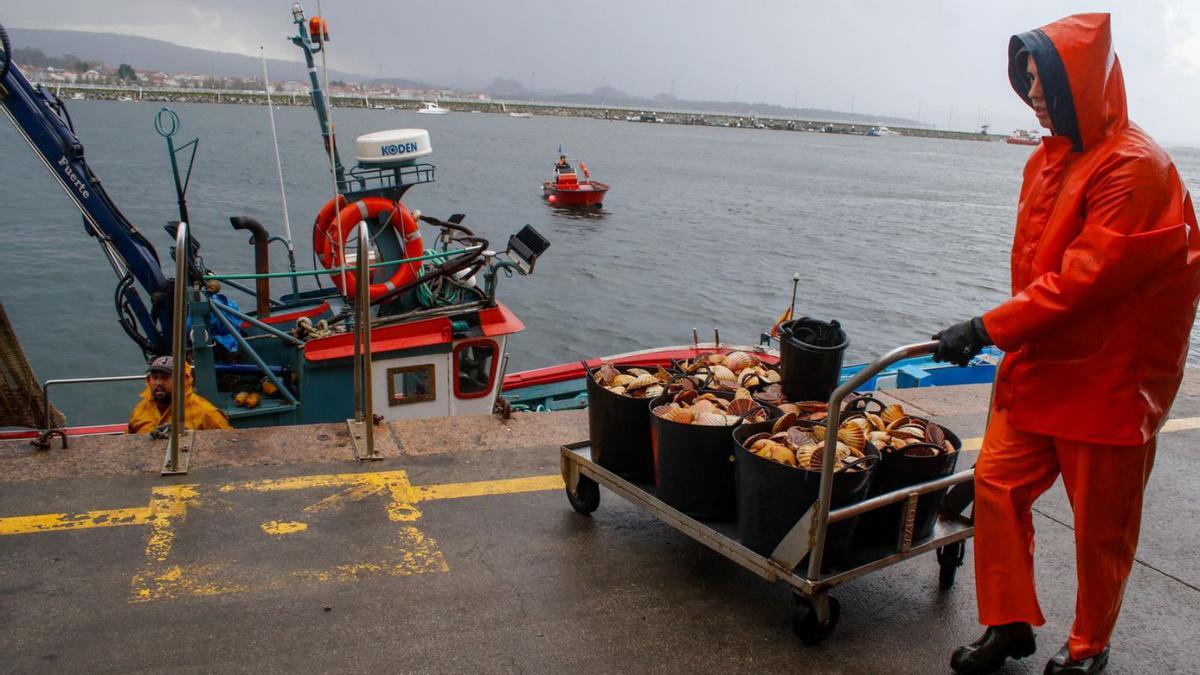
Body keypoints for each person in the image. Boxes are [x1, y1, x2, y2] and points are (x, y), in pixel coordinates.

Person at [933, 13, 1200, 675]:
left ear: (1080, 78)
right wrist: (1008, 333)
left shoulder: (1136, 167)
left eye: (1045, 77)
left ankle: (1089, 646)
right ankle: (1009, 622)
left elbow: (1079, 282)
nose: (1036, 92)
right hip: (1046, 364)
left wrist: (984, 328)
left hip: (1113, 379)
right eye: (1027, 79)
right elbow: (1046, 278)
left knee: (1099, 527)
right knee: (994, 485)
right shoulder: (1046, 160)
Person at [127, 355, 231, 434]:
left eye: (164, 377)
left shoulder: (206, 413)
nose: (158, 383)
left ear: (182, 380)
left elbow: (226, 443)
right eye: (155, 377)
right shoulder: (141, 409)